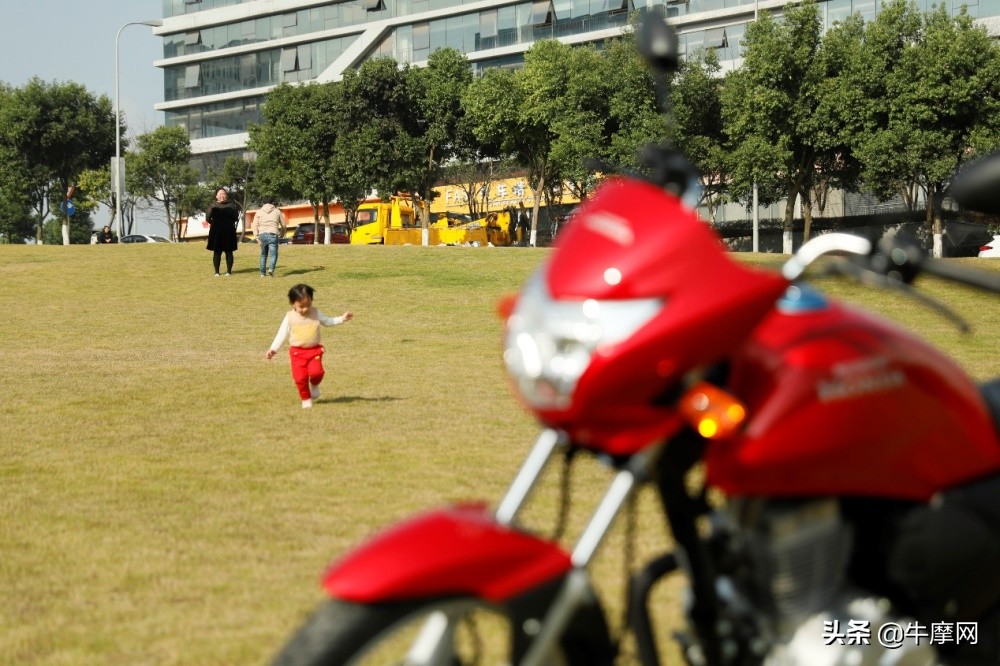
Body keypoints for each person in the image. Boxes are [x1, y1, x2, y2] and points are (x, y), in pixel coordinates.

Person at [266, 283, 354, 409]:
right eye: (301, 306)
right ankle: (306, 398)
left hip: (314, 351)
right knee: (300, 378)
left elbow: (328, 322)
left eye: (308, 305)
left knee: (316, 373)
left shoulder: (316, 313)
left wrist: (342, 318)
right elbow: (282, 334)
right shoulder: (289, 317)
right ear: (293, 304)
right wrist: (273, 349)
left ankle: (314, 385)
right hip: (297, 353)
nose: (305, 309)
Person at [206, 188, 240, 276]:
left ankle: (229, 271)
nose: (222, 196)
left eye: (224, 194)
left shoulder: (231, 206)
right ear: (216, 196)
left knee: (229, 251)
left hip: (229, 231)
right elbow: (208, 218)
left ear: (226, 196)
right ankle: (216, 272)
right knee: (217, 251)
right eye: (220, 194)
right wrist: (215, 224)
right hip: (216, 232)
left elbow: (235, 218)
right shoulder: (212, 206)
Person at [252, 196, 286, 277]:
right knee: (273, 254)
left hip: (262, 235)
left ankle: (262, 273)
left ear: (263, 202)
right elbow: (283, 225)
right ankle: (271, 269)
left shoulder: (259, 212)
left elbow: (255, 226)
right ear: (273, 202)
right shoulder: (277, 212)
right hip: (273, 234)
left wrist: (257, 237)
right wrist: (282, 234)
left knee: (263, 255)